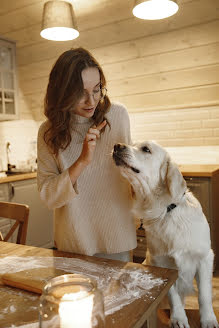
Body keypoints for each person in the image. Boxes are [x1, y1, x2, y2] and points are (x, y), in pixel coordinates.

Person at [37, 47, 137, 262]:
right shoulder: (48, 132)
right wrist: (82, 161)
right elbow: (48, 196)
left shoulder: (118, 115)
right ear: (62, 92)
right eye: (80, 93)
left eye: (97, 89)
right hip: (73, 242)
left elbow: (131, 174)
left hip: (117, 237)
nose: (91, 101)